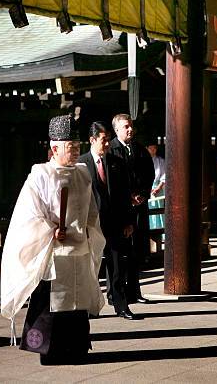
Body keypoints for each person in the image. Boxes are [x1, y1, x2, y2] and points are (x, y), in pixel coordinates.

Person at [0, 115, 106, 365]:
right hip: (54, 251)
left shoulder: (82, 174)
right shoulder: (40, 175)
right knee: (51, 304)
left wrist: (89, 230)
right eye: (71, 147)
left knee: (77, 302)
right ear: (54, 148)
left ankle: (77, 349)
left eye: (78, 147)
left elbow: (91, 210)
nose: (76, 152)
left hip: (78, 247)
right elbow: (30, 213)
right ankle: (48, 352)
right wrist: (50, 230)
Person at [78, 122, 139, 320]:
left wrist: (129, 221)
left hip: (115, 222)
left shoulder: (116, 162)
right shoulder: (81, 164)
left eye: (107, 140)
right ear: (92, 140)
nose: (107, 145)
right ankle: (90, 306)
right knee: (90, 266)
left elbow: (125, 194)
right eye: (103, 140)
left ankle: (121, 305)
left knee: (117, 267)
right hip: (91, 223)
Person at [108, 114, 155, 304]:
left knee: (136, 251)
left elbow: (149, 174)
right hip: (119, 209)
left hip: (138, 207)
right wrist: (128, 197)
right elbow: (111, 181)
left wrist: (143, 194)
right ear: (117, 130)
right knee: (118, 253)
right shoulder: (111, 150)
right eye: (125, 127)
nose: (130, 129)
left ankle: (134, 292)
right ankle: (115, 293)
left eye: (131, 126)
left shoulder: (139, 149)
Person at [147, 143, 166, 231]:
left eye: (155, 148)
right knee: (148, 209)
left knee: (159, 210)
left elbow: (164, 176)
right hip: (147, 188)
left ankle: (160, 231)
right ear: (147, 148)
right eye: (151, 148)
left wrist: (158, 188)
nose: (153, 150)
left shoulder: (160, 161)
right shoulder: (143, 161)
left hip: (158, 188)